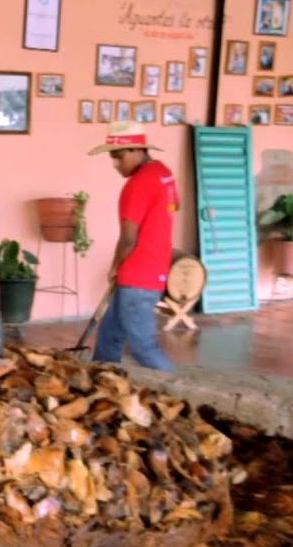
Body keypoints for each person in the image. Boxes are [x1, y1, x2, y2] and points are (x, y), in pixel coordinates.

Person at [86, 121, 177, 371]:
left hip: (138, 275)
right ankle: (103, 380)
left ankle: (178, 389)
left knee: (144, 347)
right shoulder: (163, 173)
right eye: (112, 158)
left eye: (119, 157)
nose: (116, 165)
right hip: (154, 269)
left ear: (138, 150)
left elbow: (129, 237)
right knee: (109, 335)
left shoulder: (138, 184)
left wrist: (116, 266)